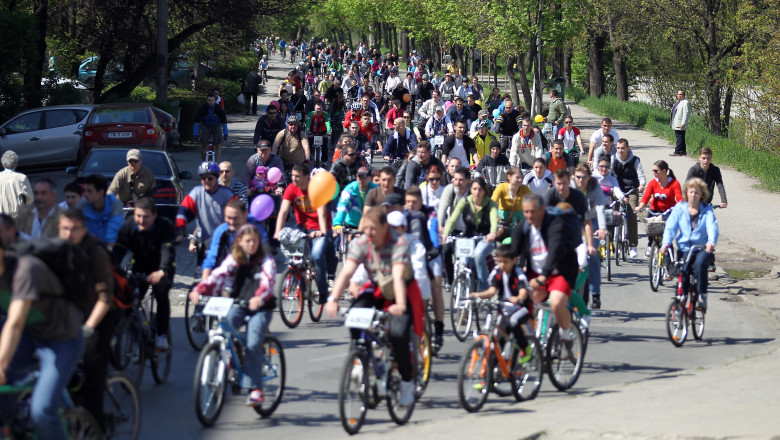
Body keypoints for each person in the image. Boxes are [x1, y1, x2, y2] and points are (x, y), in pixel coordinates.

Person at [325, 207, 422, 407]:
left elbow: (397, 275)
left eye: (373, 228)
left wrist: (401, 305)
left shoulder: (400, 242)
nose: (368, 233)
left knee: (399, 334)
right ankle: (361, 359)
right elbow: (347, 272)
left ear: (385, 227)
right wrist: (333, 298)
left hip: (401, 289)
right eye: (365, 228)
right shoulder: (362, 242)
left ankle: (406, 382)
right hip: (378, 287)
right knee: (355, 315)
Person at [0, 239, 85, 440]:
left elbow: (15, 322)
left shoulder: (25, 269)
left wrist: (1, 366)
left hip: (62, 339)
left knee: (42, 411)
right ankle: (15, 428)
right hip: (29, 336)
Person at [190, 224, 276, 406]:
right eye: (248, 241)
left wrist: (259, 297)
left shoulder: (265, 259)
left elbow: (267, 281)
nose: (252, 244)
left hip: (261, 307)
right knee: (225, 326)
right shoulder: (234, 258)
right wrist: (200, 289)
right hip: (240, 303)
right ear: (239, 242)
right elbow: (218, 275)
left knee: (253, 343)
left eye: (255, 241)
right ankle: (232, 358)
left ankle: (256, 388)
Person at [58, 208, 115, 429]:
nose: (69, 234)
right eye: (65, 229)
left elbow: (105, 297)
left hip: (99, 318)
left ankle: (96, 426)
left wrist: (88, 328)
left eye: (74, 229)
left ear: (83, 230)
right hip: (71, 316)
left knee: (93, 371)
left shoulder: (95, 252)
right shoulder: (58, 251)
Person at [510, 193, 579, 346]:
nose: (529, 216)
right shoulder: (524, 226)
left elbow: (554, 251)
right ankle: (531, 339)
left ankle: (566, 334)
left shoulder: (555, 223)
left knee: (556, 301)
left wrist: (544, 276)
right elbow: (513, 251)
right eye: (526, 212)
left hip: (559, 271)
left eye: (533, 211)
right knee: (523, 301)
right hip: (536, 272)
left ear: (542, 210)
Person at [112, 197, 176, 348]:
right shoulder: (128, 226)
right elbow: (119, 250)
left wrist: (162, 271)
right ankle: (129, 328)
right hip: (140, 267)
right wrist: (112, 268)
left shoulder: (164, 226)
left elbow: (168, 250)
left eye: (146, 216)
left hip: (162, 268)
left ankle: (162, 335)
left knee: (161, 294)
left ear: (154, 215)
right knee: (129, 297)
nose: (141, 220)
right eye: (138, 216)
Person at [273, 164, 335, 303]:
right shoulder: (291, 188)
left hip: (319, 228)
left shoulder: (315, 189)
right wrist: (277, 231)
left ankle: (323, 290)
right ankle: (297, 277)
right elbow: (283, 211)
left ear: (307, 177)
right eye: (292, 176)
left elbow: (321, 212)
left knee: (317, 256)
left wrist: (323, 231)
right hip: (302, 227)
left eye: (297, 176)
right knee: (294, 255)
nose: (294, 179)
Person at [662, 178, 719, 309]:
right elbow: (670, 227)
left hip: (701, 248)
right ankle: (678, 307)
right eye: (691, 192)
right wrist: (665, 243)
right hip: (684, 249)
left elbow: (712, 226)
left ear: (701, 194)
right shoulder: (680, 208)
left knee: (699, 266)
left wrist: (711, 242)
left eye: (696, 193)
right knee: (683, 277)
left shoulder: (707, 210)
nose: (693, 195)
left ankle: (702, 296)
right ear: (686, 193)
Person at [470, 244, 533, 360]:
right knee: (498, 338)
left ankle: (525, 348)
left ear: (514, 260)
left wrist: (518, 298)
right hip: (504, 309)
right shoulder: (497, 273)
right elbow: (492, 291)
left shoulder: (518, 273)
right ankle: (499, 364)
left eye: (505, 262)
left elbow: (523, 292)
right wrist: (477, 295)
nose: (502, 265)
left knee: (514, 321)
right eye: (499, 261)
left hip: (521, 308)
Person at [443, 177, 498, 291]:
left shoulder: (490, 204)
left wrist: (492, 233)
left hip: (485, 238)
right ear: (471, 190)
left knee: (478, 255)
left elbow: (494, 220)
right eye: (475, 189)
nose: (477, 192)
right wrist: (445, 233)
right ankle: (462, 289)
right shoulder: (465, 201)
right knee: (463, 261)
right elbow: (453, 219)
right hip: (468, 237)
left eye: (480, 189)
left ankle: (483, 290)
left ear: (484, 191)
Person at [176, 162, 237, 263]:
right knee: (202, 274)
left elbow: (236, 216)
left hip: (223, 242)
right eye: (203, 178)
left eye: (210, 178)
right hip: (203, 242)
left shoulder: (227, 195)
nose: (206, 181)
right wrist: (180, 229)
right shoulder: (196, 193)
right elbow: (183, 212)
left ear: (216, 179)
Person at [571, 164, 608, 309]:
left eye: (584, 177)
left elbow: (599, 207)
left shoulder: (595, 187)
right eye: (578, 177)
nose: (580, 180)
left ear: (589, 178)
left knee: (592, 256)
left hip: (591, 221)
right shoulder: (570, 187)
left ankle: (595, 293)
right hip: (574, 220)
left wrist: (603, 229)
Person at [635, 160, 682, 256]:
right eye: (653, 170)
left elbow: (679, 198)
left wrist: (681, 208)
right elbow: (646, 196)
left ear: (664, 171)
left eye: (656, 171)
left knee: (667, 233)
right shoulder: (653, 183)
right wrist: (640, 206)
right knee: (650, 227)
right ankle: (650, 245)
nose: (654, 173)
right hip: (654, 210)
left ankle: (669, 258)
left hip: (668, 211)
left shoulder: (674, 183)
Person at [610, 139, 646, 257]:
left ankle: (633, 245)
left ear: (628, 148)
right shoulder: (613, 160)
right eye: (618, 148)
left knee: (632, 213)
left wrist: (641, 185)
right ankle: (609, 242)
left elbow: (641, 176)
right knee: (611, 212)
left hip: (631, 190)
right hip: (617, 190)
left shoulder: (635, 160)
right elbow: (608, 174)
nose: (620, 150)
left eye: (623, 148)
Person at [80, 174, 123, 247]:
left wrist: (108, 248)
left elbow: (113, 228)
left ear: (101, 192)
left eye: (89, 191)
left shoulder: (115, 204)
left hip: (113, 246)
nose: (85, 195)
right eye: (85, 191)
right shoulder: (83, 204)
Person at [491, 166, 532, 235]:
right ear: (509, 177)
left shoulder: (525, 189)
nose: (520, 180)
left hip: (518, 220)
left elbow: (534, 201)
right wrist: (495, 216)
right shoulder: (501, 187)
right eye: (517, 177)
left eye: (521, 178)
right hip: (503, 221)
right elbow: (491, 202)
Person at [334, 166, 376, 231]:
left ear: (370, 178)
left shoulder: (376, 189)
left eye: (364, 177)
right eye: (359, 177)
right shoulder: (350, 189)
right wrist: (337, 224)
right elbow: (343, 206)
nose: (361, 180)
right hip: (351, 225)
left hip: (370, 226)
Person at [193, 93, 229, 162]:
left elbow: (224, 121)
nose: (211, 102)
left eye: (212, 100)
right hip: (206, 126)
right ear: (206, 100)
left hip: (216, 126)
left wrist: (226, 134)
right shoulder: (203, 108)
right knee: (204, 144)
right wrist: (195, 134)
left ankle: (216, 163)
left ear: (214, 101)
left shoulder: (218, 108)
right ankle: (204, 162)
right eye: (209, 100)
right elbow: (197, 121)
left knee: (218, 144)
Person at [0, 151, 33, 219]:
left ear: (3, 164)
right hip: (18, 216)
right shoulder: (22, 178)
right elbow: (30, 198)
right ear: (16, 164)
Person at [670, 89, 691, 157]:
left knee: (679, 137)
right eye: (678, 94)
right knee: (681, 137)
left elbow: (686, 114)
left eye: (681, 94)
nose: (679, 95)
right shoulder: (678, 102)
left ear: (684, 95)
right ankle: (683, 151)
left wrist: (683, 123)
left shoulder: (685, 102)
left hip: (680, 123)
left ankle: (677, 151)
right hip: (676, 122)